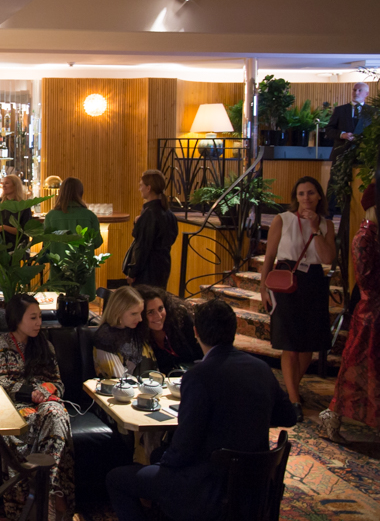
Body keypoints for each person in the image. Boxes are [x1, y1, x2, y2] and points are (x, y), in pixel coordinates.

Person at [106, 299, 296, 521]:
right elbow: (288, 416)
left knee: (116, 478)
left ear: (196, 332)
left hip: (207, 490)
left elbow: (184, 447)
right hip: (255, 486)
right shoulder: (261, 368)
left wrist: (164, 464)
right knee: (158, 454)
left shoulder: (199, 376)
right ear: (234, 330)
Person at [0, 294, 75, 520]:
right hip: (16, 404)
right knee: (19, 430)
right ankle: (41, 500)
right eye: (33, 317)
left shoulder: (45, 345)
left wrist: (47, 390)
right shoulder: (0, 344)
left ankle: (47, 490)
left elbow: (58, 382)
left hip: (47, 402)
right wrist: (31, 393)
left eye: (40, 317)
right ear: (17, 319)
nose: (39, 323)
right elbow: (1, 383)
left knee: (57, 416)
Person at [259, 176, 336, 421]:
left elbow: (327, 258)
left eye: (310, 193)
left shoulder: (326, 224)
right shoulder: (282, 219)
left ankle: (290, 391)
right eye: (301, 193)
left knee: (307, 345)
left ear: (319, 196)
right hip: (285, 280)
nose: (306, 198)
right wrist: (263, 288)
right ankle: (293, 400)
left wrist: (315, 228)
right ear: (296, 197)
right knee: (290, 344)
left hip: (313, 283)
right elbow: (269, 256)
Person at [320, 182, 380, 440]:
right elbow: (366, 279)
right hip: (370, 315)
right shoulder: (364, 237)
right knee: (357, 369)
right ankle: (332, 417)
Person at [43, 177, 102, 299]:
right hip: (83, 270)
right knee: (82, 302)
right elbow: (97, 242)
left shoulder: (51, 216)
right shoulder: (90, 216)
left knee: (58, 302)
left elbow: (46, 244)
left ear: (61, 192)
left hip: (59, 270)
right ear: (80, 192)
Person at [123, 170, 178, 288]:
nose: (140, 189)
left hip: (147, 269)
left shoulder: (150, 214)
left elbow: (142, 246)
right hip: (163, 265)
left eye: (141, 185)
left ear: (148, 188)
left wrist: (133, 272)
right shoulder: (169, 214)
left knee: (144, 298)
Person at [135, 285, 203, 373]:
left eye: (160, 308)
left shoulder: (181, 321)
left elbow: (199, 354)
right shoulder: (137, 335)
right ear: (141, 314)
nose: (159, 316)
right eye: (150, 312)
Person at [92, 285, 156, 378]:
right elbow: (119, 380)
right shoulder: (105, 338)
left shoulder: (137, 330)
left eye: (140, 313)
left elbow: (153, 370)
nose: (140, 319)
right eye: (134, 314)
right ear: (118, 312)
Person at [324, 82, 373, 161]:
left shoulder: (373, 111)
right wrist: (342, 134)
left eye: (360, 90)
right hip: (341, 155)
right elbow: (329, 130)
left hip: (364, 156)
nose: (356, 93)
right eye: (354, 90)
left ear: (367, 94)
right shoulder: (340, 110)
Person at [0, 174, 33, 250]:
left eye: (7, 183)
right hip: (0, 245)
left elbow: (25, 232)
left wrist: (3, 227)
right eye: (3, 183)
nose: (3, 185)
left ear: (15, 186)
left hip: (18, 246)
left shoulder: (23, 206)